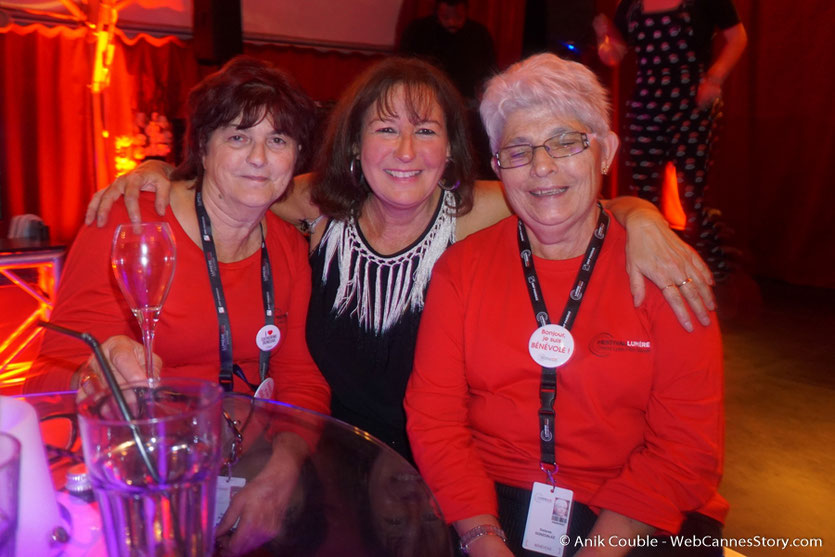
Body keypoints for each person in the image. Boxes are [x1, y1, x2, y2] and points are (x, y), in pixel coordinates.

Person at [84, 57, 715, 463]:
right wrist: (157, 171)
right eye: (386, 129)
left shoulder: (478, 209)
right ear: (355, 146)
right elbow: (238, 180)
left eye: (428, 130)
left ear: (451, 150)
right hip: (320, 453)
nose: (407, 150)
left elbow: (561, 192)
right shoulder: (314, 206)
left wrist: (643, 216)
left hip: (438, 463)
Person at [405, 53, 725, 557]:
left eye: (566, 142)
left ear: (605, 152)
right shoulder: (460, 270)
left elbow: (688, 447)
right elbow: (434, 420)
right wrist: (482, 539)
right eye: (519, 150)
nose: (542, 167)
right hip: (491, 498)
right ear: (498, 167)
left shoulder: (665, 272)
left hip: (635, 509)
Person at [25, 57, 331, 556]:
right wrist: (93, 373)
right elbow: (45, 378)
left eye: (278, 140)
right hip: (138, 469)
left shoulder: (290, 249)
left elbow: (302, 380)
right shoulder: (128, 226)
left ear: (296, 157)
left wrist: (282, 470)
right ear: (204, 149)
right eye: (237, 137)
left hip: (245, 464)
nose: (259, 157)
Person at [593, 0, 747, 279]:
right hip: (647, 104)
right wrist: (605, 40)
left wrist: (714, 78)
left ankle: (713, 277)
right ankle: (651, 271)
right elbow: (614, 55)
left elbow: (738, 37)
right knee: (643, 197)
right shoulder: (630, 5)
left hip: (692, 102)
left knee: (691, 196)